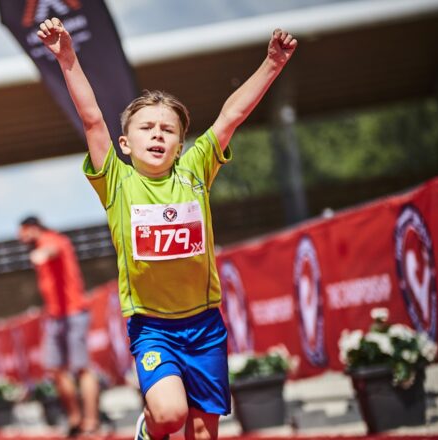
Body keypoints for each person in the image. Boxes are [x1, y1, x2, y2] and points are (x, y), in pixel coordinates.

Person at [36, 17, 297, 440]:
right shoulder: (117, 182)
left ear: (180, 145)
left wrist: (272, 64)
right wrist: (67, 57)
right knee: (170, 413)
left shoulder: (195, 171)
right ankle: (149, 429)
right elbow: (92, 120)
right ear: (125, 144)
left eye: (168, 129)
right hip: (153, 326)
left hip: (205, 325)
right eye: (146, 128)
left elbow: (231, 115)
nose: (157, 134)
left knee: (202, 430)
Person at [18, 216, 99, 436]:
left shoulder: (53, 240)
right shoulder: (42, 243)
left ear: (32, 228)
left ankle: (91, 422)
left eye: (23, 233)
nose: (21, 239)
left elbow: (53, 250)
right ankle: (75, 418)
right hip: (55, 316)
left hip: (74, 313)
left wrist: (42, 254)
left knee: (82, 368)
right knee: (54, 369)